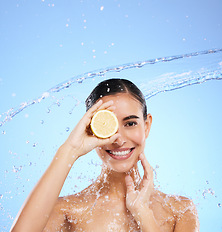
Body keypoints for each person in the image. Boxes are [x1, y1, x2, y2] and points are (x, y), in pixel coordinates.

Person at [10, 78, 199, 232]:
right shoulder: (67, 211)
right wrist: (69, 150)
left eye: (130, 123)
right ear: (90, 129)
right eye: (108, 127)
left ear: (147, 125)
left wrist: (143, 213)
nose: (118, 140)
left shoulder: (180, 210)